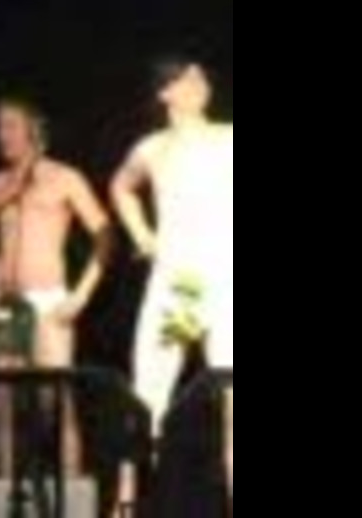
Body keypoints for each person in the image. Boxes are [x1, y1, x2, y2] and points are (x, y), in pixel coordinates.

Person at [0, 98, 112, 478]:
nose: (2, 135)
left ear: (33, 129)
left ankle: (68, 491)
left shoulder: (65, 177)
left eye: (10, 125)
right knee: (3, 399)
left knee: (57, 400)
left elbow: (104, 235)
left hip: (49, 300)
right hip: (7, 303)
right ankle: (7, 489)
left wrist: (81, 294)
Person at [111, 58, 234, 509]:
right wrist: (142, 235)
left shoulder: (228, 137)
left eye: (202, 77)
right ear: (165, 92)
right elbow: (121, 186)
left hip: (225, 280)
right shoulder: (153, 147)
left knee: (232, 395)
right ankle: (127, 501)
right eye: (188, 78)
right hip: (179, 285)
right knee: (148, 397)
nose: (200, 84)